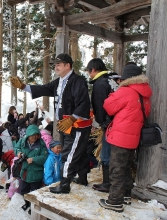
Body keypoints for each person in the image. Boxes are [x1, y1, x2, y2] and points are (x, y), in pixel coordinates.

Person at [10, 53, 92, 194]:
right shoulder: (59, 81)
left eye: (58, 64)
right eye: (55, 65)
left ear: (68, 65)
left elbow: (84, 103)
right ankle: (83, 178)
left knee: (68, 155)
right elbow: (43, 88)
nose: (56, 67)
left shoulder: (78, 81)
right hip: (66, 126)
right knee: (81, 152)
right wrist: (23, 86)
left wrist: (72, 118)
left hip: (77, 126)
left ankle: (65, 185)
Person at [98, 64, 152, 212]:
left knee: (116, 169)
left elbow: (108, 106)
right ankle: (126, 195)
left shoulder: (126, 91)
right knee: (127, 167)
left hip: (121, 137)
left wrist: (112, 95)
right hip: (134, 138)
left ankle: (114, 201)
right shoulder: (144, 94)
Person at [86, 58, 119, 192]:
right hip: (119, 121)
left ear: (93, 70)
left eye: (89, 72)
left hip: (110, 123)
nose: (89, 75)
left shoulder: (100, 83)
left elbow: (100, 106)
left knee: (106, 153)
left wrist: (102, 123)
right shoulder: (111, 80)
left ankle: (107, 183)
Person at [14, 125, 48, 213]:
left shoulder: (41, 144)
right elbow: (16, 148)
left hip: (35, 172)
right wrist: (18, 153)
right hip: (25, 171)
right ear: (28, 135)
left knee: (35, 192)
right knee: (24, 190)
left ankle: (33, 208)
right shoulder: (22, 141)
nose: (35, 138)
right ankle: (27, 203)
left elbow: (44, 156)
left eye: (36, 135)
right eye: (32, 136)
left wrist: (34, 159)